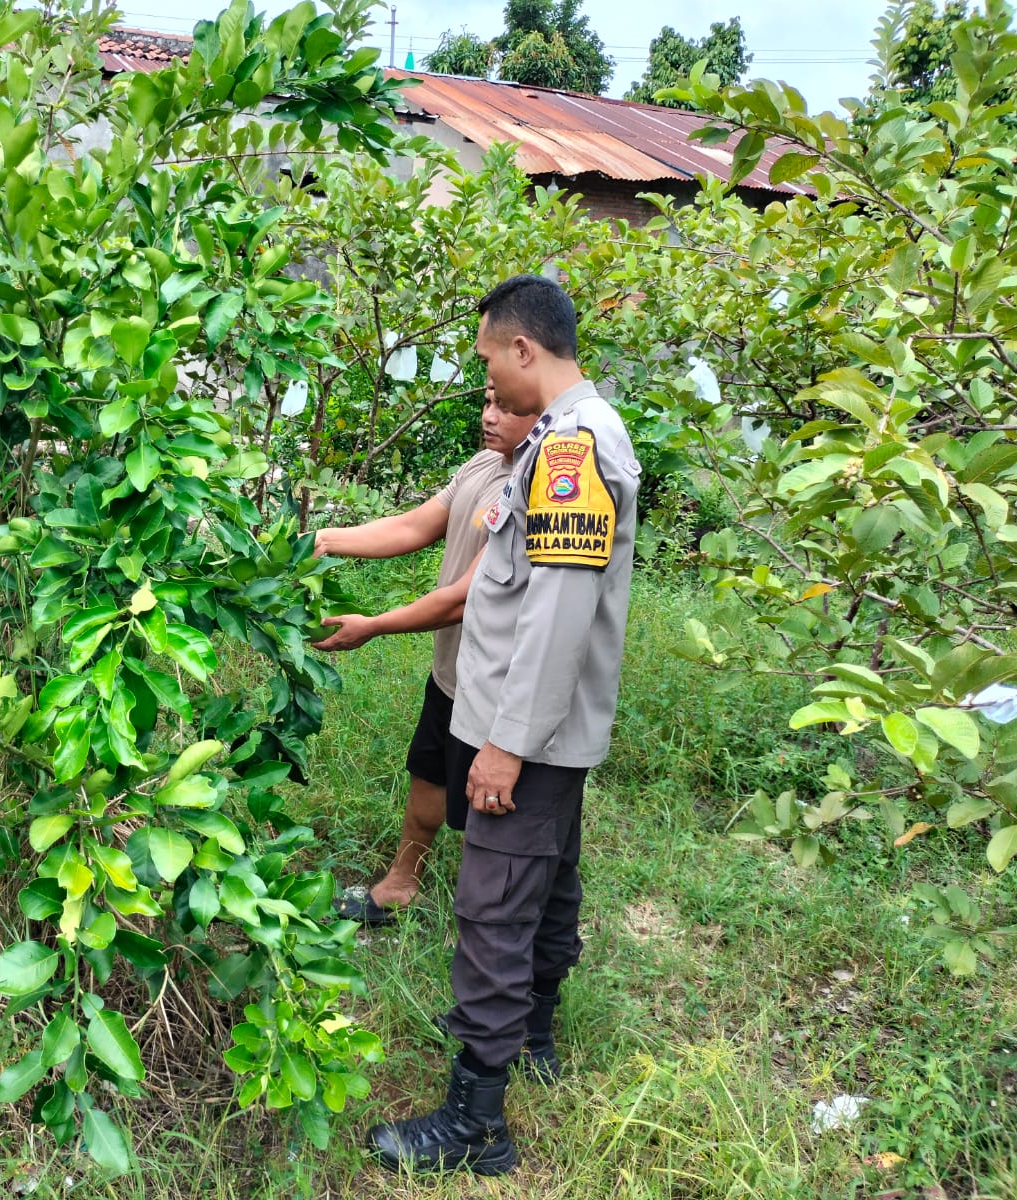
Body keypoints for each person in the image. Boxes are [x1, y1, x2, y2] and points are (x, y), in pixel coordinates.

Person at [360, 274, 641, 1176]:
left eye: (489, 359)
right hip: (546, 731)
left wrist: (505, 745)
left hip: (529, 736)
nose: (488, 379)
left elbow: (554, 615)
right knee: (548, 886)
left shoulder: (571, 452)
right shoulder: (563, 438)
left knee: (493, 913)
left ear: (525, 348)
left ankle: (475, 1122)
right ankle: (535, 1039)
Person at [311, 400, 538, 923]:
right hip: (454, 668)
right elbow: (415, 526)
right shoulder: (483, 464)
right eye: (487, 400)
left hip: (499, 680)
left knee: (495, 798)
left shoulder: (535, 484)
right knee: (429, 771)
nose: (489, 415)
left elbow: (463, 599)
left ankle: (493, 916)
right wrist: (325, 540)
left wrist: (372, 625)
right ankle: (401, 883)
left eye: (505, 405)